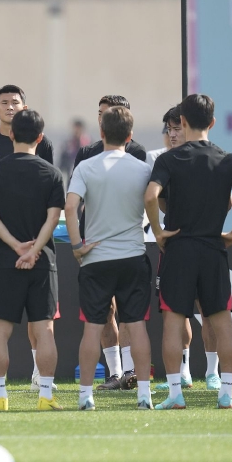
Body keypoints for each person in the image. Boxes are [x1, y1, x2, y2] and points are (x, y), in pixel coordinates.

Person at [145, 94, 232, 410]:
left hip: (178, 250)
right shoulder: (226, 159)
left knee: (173, 323)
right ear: (213, 122)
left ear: (182, 122)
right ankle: (226, 393)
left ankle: (175, 394)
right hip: (212, 250)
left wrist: (158, 231)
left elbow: (150, 196)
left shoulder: (169, 160)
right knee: (222, 323)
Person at [66, 105, 153, 411]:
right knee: (137, 326)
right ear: (130, 136)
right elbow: (154, 202)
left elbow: (70, 206)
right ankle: (144, 394)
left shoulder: (86, 167)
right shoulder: (143, 169)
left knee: (92, 327)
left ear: (101, 132)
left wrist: (77, 245)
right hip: (133, 255)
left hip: (97, 258)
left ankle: (85, 395)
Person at [0, 85, 54, 392]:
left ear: (23, 107)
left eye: (15, 102)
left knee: (39, 310)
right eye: (4, 102)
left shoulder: (42, 143)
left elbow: (47, 188)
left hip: (33, 236)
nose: (9, 107)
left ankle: (38, 373)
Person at [0, 109, 64, 411]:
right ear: (40, 138)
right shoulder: (52, 173)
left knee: (0, 331)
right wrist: (34, 249)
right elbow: (53, 218)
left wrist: (17, 247)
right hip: (42, 262)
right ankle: (46, 395)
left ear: (12, 134)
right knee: (44, 330)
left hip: (5, 261)